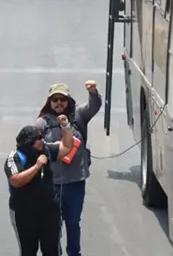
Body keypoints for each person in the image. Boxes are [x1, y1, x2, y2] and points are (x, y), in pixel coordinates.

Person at [36, 82, 102, 256]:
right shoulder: (42, 123)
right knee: (54, 225)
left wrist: (93, 92)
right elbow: (34, 147)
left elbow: (94, 106)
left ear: (68, 101)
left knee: (73, 222)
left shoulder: (78, 115)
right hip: (52, 183)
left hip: (75, 182)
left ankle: (74, 252)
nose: (59, 103)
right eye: (55, 100)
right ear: (49, 102)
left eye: (62, 100)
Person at [5, 119, 76, 256]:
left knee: (51, 250)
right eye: (38, 138)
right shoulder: (15, 158)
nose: (43, 140)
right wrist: (37, 166)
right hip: (23, 214)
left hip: (49, 212)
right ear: (29, 143)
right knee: (28, 250)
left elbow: (67, 147)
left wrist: (66, 127)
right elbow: (16, 180)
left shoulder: (46, 149)